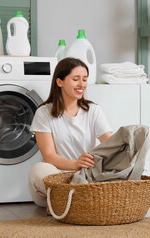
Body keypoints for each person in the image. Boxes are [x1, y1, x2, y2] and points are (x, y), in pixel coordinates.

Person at [28, 57, 113, 207]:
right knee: (38, 170)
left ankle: (70, 203)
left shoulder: (93, 110)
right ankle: (79, 201)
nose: (82, 84)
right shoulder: (44, 113)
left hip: (85, 178)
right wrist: (75, 164)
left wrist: (130, 143)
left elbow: (111, 144)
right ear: (60, 82)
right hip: (57, 177)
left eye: (85, 79)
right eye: (76, 79)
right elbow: (49, 156)